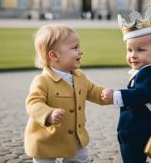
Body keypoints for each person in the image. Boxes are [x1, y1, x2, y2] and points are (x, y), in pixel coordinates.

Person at [101, 5, 151, 163]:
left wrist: (115, 96)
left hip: (139, 132)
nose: (133, 56)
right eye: (129, 50)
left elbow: (142, 94)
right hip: (141, 130)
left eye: (140, 50)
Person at [24, 24, 108, 163]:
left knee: (81, 158)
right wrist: (49, 114)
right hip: (46, 138)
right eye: (75, 48)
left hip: (75, 137)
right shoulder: (42, 81)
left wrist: (105, 94)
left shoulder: (79, 76)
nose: (80, 52)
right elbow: (33, 103)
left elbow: (92, 90)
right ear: (54, 55)